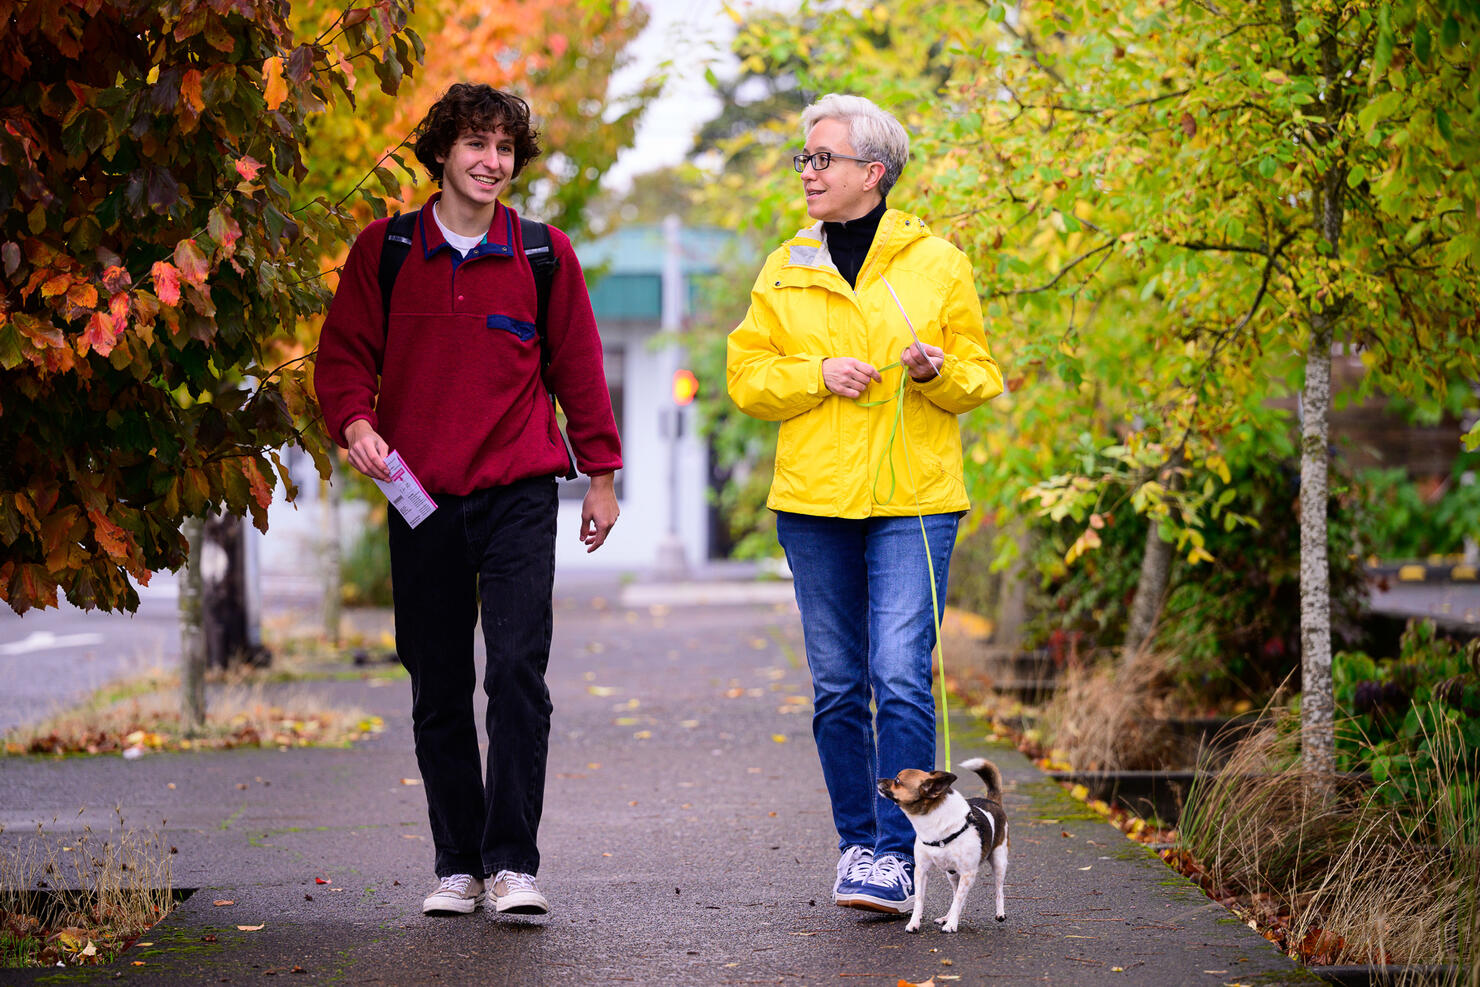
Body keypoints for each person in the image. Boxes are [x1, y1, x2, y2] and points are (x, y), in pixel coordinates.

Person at [314, 83, 621, 918]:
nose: (493, 163)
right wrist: (355, 422)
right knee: (438, 681)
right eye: (477, 146)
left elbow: (580, 371)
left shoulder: (543, 254)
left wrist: (600, 475)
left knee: (518, 673)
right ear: (443, 151)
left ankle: (513, 862)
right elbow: (342, 358)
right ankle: (458, 862)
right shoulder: (386, 249)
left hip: (520, 492)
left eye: (506, 150)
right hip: (423, 499)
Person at [726, 93, 1003, 915]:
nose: (807, 172)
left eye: (823, 159)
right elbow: (746, 377)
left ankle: (900, 849)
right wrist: (815, 374)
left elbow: (979, 375)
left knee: (900, 675)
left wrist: (934, 371)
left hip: (913, 504)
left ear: (871, 172)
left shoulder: (937, 263)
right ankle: (860, 846)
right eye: (805, 159)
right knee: (841, 685)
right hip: (813, 506)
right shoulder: (784, 264)